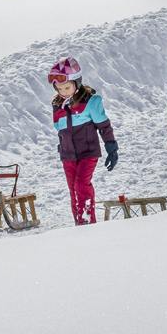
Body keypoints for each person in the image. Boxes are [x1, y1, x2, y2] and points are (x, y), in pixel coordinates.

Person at [47, 57, 118, 225]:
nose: (63, 91)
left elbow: (103, 125)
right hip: (68, 155)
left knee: (81, 184)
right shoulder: (58, 105)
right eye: (59, 88)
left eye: (67, 87)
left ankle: (87, 221)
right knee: (73, 190)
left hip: (88, 152)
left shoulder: (90, 102)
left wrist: (111, 146)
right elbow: (60, 130)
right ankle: (79, 223)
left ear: (77, 82)